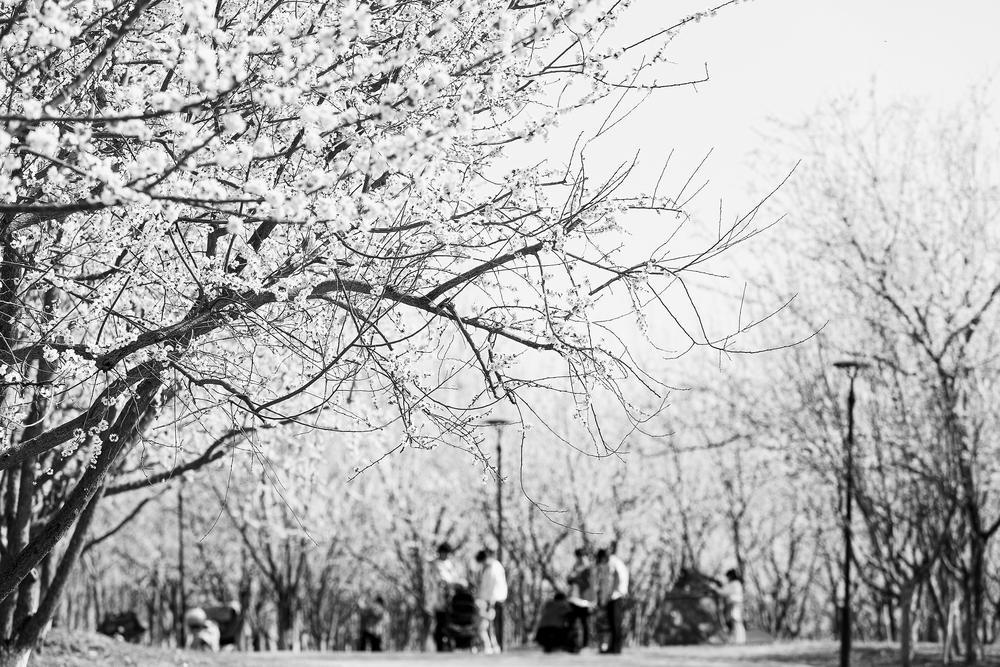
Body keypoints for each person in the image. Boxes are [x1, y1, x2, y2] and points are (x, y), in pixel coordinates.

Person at [431, 542, 464, 652]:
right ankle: (440, 646)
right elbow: (440, 580)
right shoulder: (435, 565)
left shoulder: (450, 564)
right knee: (441, 623)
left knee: (450, 623)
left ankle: (450, 644)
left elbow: (455, 577)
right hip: (440, 599)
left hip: (452, 599)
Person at [595, 547, 628, 655]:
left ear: (604, 557)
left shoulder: (615, 563)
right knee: (611, 624)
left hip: (616, 597)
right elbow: (604, 584)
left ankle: (616, 648)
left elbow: (619, 578)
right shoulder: (607, 564)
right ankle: (611, 647)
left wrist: (616, 592)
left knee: (615, 623)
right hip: (609, 598)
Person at [474, 546, 508, 653]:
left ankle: (499, 646)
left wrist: (491, 603)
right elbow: (484, 587)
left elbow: (495, 587)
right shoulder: (487, 568)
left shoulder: (495, 568)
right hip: (488, 601)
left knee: (496, 624)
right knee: (488, 625)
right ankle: (492, 646)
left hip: (496, 600)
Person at [566, 548, 594, 648]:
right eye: (578, 556)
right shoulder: (575, 566)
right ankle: (573, 643)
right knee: (573, 621)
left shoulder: (588, 568)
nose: (580, 558)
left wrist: (575, 577)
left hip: (585, 599)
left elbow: (589, 583)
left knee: (585, 622)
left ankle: (585, 644)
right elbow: (569, 579)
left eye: (581, 555)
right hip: (574, 598)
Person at [720, 569, 747, 644]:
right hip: (735, 604)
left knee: (736, 621)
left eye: (728, 577)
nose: (727, 578)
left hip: (735, 604)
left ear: (731, 576)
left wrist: (715, 588)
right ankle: (738, 640)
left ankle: (739, 640)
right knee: (735, 622)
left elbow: (723, 592)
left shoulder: (734, 583)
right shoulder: (736, 583)